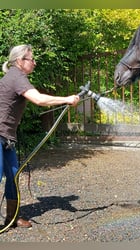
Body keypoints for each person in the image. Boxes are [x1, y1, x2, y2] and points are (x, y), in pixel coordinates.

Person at [0, 44, 80, 228]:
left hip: (7, 138)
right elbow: (39, 99)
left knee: (13, 176)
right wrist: (67, 99)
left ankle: (12, 218)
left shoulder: (17, 76)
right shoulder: (16, 76)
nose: (34, 63)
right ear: (20, 61)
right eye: (32, 59)